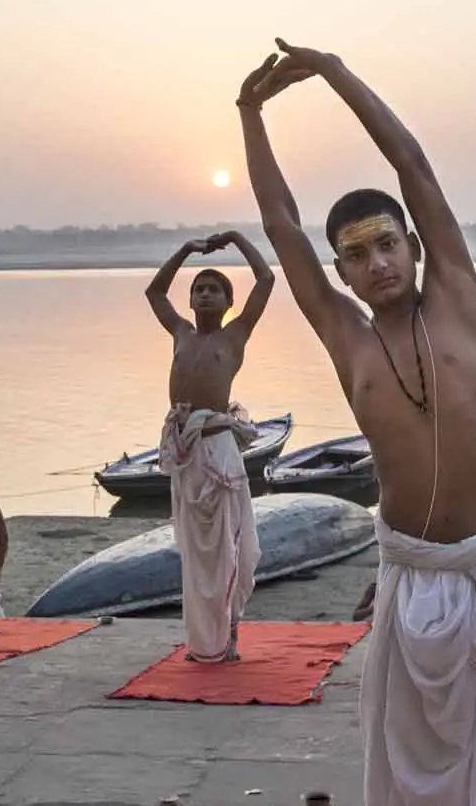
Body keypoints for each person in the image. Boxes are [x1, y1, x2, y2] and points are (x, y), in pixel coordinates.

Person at [240, 38, 476, 806]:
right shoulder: (349, 340)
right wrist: (250, 113)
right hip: (411, 567)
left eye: (387, 244)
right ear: (340, 272)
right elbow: (279, 225)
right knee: (404, 752)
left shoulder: (459, 303)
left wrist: (335, 74)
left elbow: (414, 165)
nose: (377, 263)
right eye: (356, 255)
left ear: (411, 244)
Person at [144, 230, 274, 662]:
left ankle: (232, 635)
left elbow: (266, 281)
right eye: (198, 290)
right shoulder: (180, 332)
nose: (203, 295)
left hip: (219, 448)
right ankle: (203, 637)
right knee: (195, 551)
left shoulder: (234, 336)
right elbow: (155, 291)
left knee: (228, 546)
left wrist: (237, 238)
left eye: (213, 290)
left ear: (227, 302)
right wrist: (185, 250)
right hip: (185, 449)